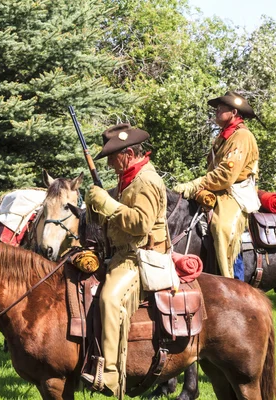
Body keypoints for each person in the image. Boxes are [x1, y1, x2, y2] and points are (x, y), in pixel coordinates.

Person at [82, 123, 168, 398]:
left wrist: (106, 203)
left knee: (109, 298)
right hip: (121, 254)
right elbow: (113, 218)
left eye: (112, 155)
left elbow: (141, 224)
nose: (108, 162)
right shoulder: (128, 178)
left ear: (128, 153)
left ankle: (108, 375)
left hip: (140, 256)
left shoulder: (146, 181)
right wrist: (95, 205)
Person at [173, 91, 260, 279]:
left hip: (235, 192)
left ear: (234, 112)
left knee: (222, 227)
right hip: (220, 190)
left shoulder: (242, 136)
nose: (217, 110)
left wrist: (196, 184)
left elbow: (226, 175)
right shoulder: (224, 136)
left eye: (222, 108)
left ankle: (234, 280)